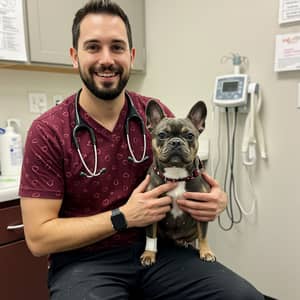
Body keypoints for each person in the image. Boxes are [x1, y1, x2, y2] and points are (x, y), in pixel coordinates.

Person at [19, 1, 264, 299]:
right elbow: (38, 238)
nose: (106, 59)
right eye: (93, 47)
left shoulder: (156, 112)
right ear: (74, 56)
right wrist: (123, 216)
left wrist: (215, 199)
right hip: (84, 262)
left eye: (118, 47)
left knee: (242, 296)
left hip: (161, 250)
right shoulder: (48, 131)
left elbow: (188, 169)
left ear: (131, 56)